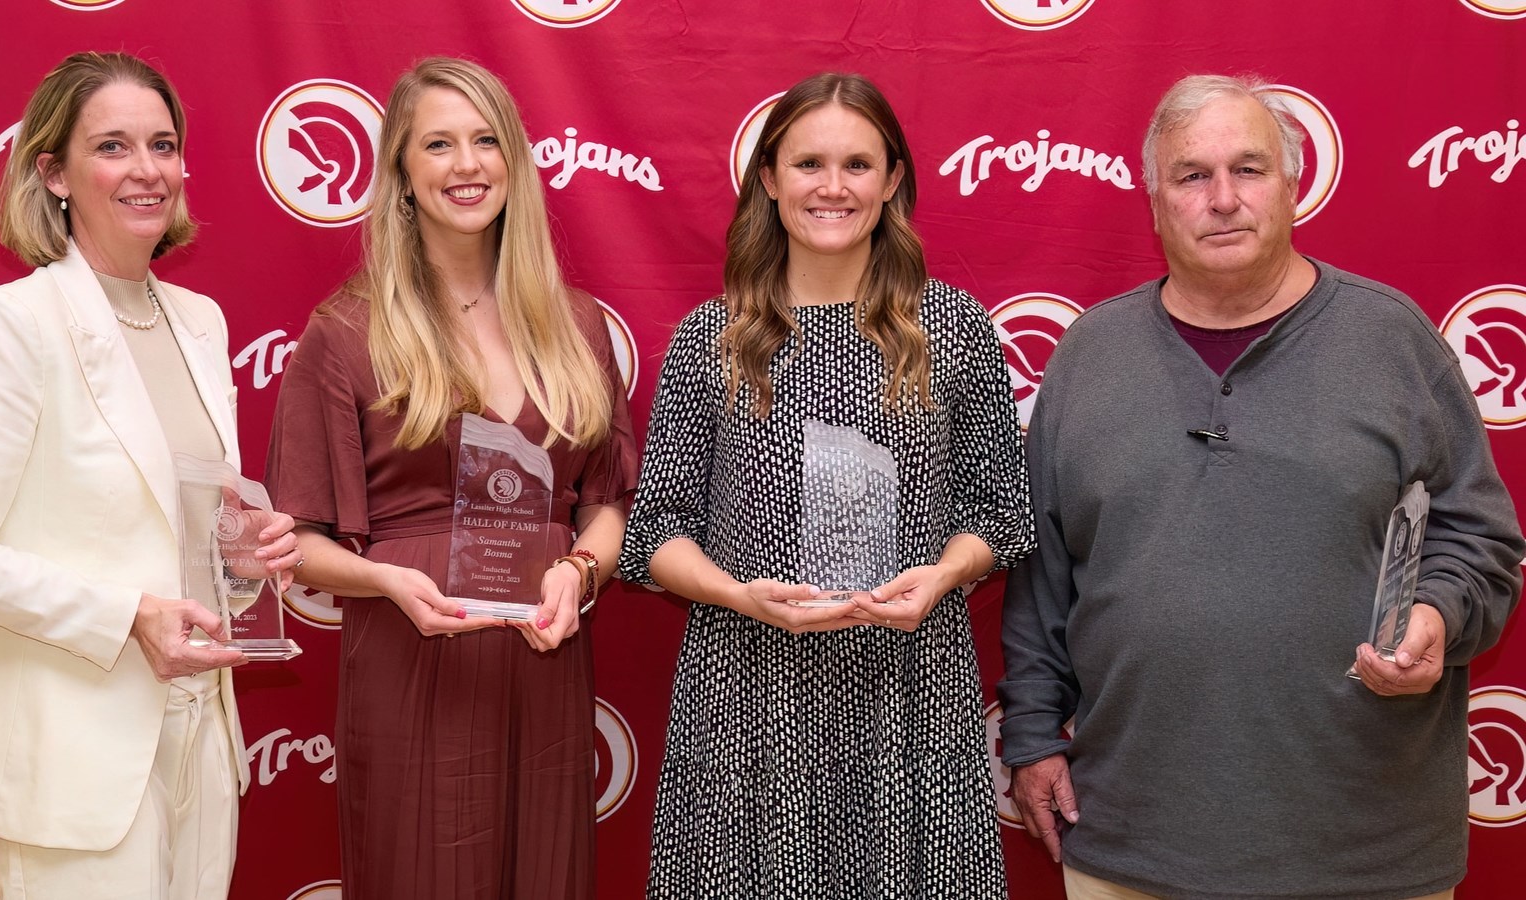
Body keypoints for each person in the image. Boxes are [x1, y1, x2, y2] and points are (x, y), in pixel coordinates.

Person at [998, 74, 1525, 900]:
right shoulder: (1089, 358)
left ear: (1290, 186)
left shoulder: (1392, 341)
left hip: (1366, 851)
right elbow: (1041, 580)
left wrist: (1438, 616)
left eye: (1248, 170)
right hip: (1132, 843)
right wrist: (1031, 737)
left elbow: (1480, 540)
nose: (1222, 199)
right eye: (1191, 176)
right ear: (1155, 199)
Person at [619, 72, 1034, 899]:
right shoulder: (713, 340)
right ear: (769, 180)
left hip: (910, 693)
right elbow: (654, 533)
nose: (833, 187)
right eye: (809, 163)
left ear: (891, 182)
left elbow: (999, 511)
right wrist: (740, 595)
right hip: (748, 695)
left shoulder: (952, 332)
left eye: (857, 164)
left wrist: (945, 577)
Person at [0, 52, 300, 899]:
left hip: (199, 736)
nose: (146, 171)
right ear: (52, 172)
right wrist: (127, 616)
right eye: (113, 147)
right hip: (74, 760)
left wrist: (240, 564)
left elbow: (178, 529)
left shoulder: (199, 322)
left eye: (163, 145)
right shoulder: (11, 324)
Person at [264, 57, 637, 900]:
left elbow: (610, 499)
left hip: (544, 665)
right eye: (438, 143)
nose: (466, 165)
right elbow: (302, 545)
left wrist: (579, 573)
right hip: (410, 659)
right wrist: (384, 580)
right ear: (400, 169)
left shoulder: (574, 324)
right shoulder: (347, 331)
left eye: (485, 141)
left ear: (514, 160)